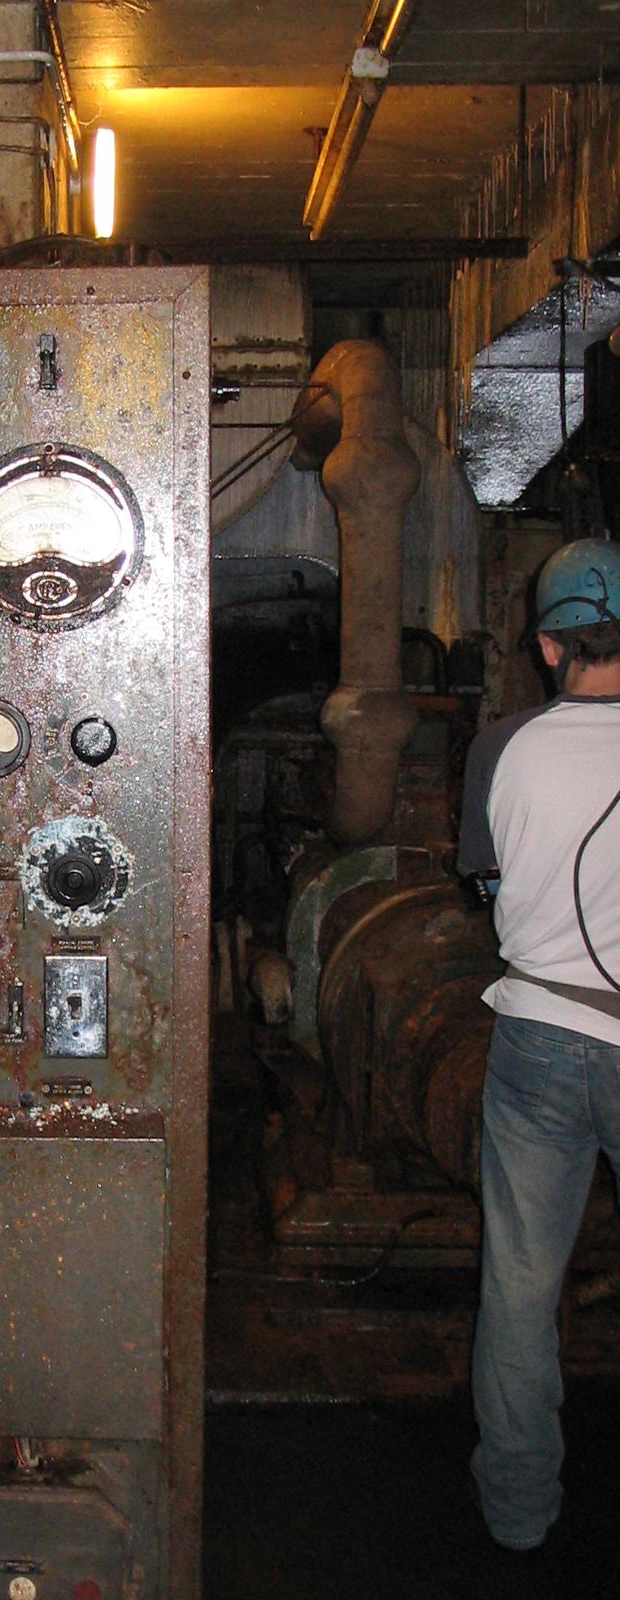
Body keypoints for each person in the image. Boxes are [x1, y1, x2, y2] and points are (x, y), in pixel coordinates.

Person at [457, 536, 620, 1553]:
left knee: (519, 1288)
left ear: (550, 647)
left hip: (540, 1033)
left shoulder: (500, 747)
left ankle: (519, 1514)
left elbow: (484, 884)